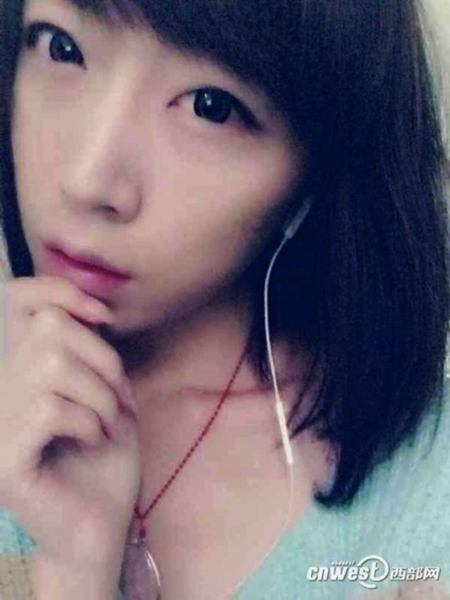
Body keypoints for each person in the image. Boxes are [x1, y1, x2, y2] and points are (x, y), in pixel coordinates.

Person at [0, 0, 449, 597]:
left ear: (312, 179)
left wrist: (77, 573)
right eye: (62, 48)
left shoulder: (426, 495)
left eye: (210, 107)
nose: (88, 181)